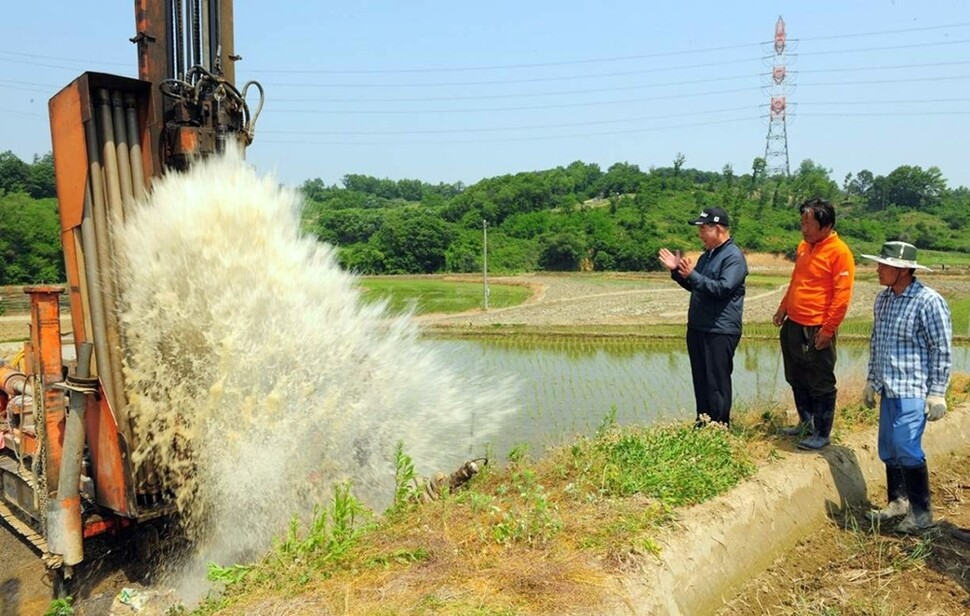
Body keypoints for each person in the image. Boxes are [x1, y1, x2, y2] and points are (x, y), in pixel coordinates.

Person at [861, 241, 951, 533]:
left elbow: (941, 349)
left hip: (913, 388)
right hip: (890, 387)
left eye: (883, 265)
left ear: (902, 270)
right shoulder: (883, 299)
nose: (878, 269)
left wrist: (937, 392)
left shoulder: (928, 301)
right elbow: (878, 343)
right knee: (888, 447)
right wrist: (872, 382)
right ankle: (897, 503)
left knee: (906, 446)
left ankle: (922, 513)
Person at [772, 198, 855, 450]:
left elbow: (842, 296)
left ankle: (822, 432)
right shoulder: (804, 247)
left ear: (826, 225)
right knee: (796, 376)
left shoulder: (839, 252)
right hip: (794, 324)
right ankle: (804, 423)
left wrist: (827, 330)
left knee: (820, 381)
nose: (803, 228)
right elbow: (796, 281)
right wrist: (783, 308)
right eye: (802, 223)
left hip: (817, 327)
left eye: (808, 224)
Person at [658, 206, 747, 427]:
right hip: (699, 328)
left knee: (716, 382)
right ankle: (703, 423)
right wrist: (677, 272)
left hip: (719, 330)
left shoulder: (733, 257)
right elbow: (698, 286)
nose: (699, 234)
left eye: (703, 229)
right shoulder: (708, 255)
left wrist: (693, 275)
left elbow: (722, 288)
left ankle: (718, 428)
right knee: (701, 379)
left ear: (718, 229)